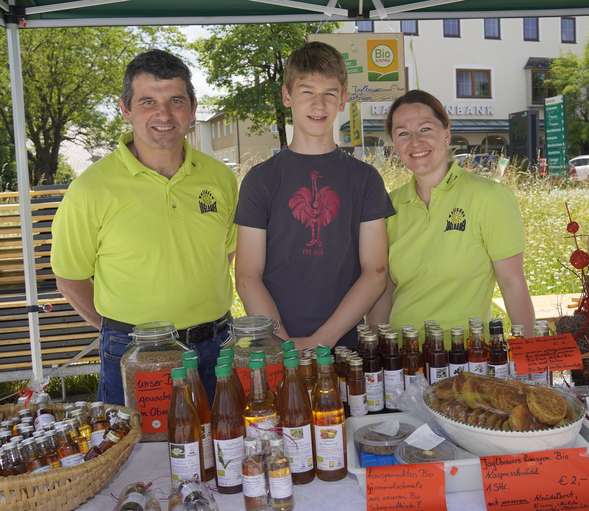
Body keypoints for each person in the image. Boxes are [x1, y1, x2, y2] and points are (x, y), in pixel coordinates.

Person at [51, 49, 237, 405]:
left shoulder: (220, 179)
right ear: (125, 109)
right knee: (134, 455)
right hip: (132, 352)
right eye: (148, 100)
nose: (163, 114)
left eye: (176, 100)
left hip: (214, 346)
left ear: (193, 108)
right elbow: (70, 279)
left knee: (217, 449)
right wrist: (122, 334)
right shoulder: (91, 189)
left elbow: (225, 251)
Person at [235, 42, 394, 350]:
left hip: (346, 347)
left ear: (343, 99)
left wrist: (323, 340)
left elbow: (375, 271)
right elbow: (247, 276)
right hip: (275, 346)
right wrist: (281, 341)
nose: (319, 105)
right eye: (307, 92)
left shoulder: (366, 179)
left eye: (330, 93)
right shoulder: (260, 179)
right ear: (287, 96)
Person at [367, 89, 535, 339]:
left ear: (446, 134)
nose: (415, 141)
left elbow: (512, 283)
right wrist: (376, 348)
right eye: (403, 133)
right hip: (403, 358)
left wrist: (530, 354)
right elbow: (385, 288)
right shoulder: (390, 204)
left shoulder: (489, 196)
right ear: (395, 144)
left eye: (425, 129)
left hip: (468, 357)